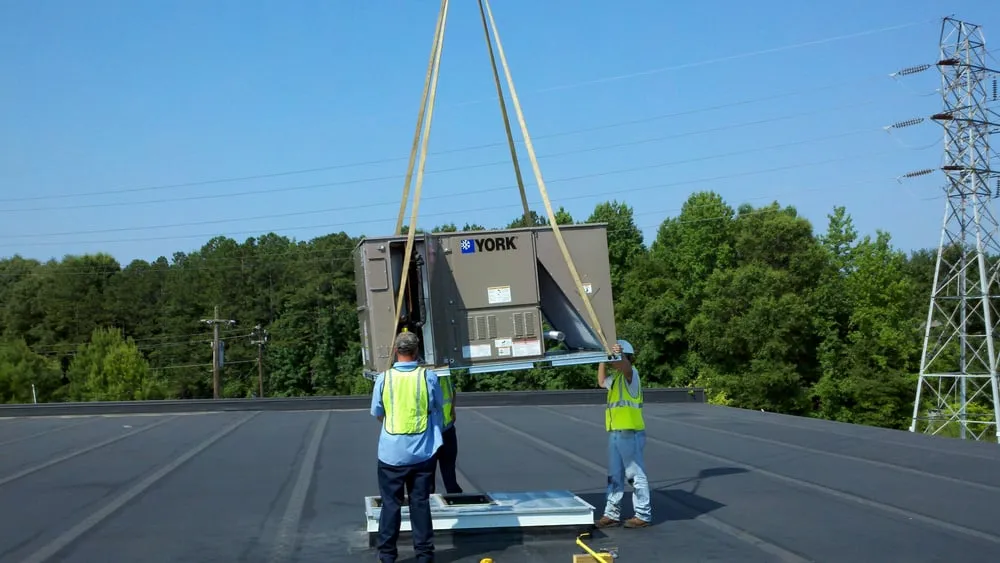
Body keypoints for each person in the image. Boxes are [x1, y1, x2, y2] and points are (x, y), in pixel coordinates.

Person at [370, 331, 444, 563]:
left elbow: (378, 412)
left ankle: (387, 555)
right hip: (422, 453)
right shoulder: (428, 377)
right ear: (416, 351)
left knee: (390, 505)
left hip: (391, 454)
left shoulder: (384, 379)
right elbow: (437, 407)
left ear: (395, 351)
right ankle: (424, 555)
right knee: (420, 503)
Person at [595, 339, 651, 529]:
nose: (612, 362)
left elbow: (625, 367)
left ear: (625, 356)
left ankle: (643, 514)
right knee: (614, 475)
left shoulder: (631, 375)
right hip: (616, 433)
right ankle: (611, 514)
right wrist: (602, 357)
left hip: (630, 432)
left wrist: (617, 354)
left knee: (635, 474)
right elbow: (601, 381)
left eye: (615, 358)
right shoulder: (616, 378)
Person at [432, 373, 464, 495]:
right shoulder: (445, 373)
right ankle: (455, 498)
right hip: (445, 428)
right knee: (449, 474)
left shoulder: (423, 375)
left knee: (428, 478)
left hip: (432, 431)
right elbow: (452, 391)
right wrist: (452, 409)